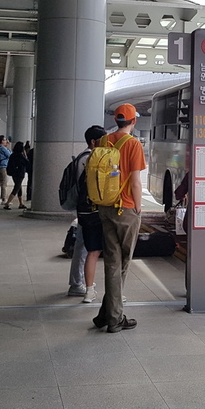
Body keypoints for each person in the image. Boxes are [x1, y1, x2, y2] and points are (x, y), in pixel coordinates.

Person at [93, 104, 146, 333]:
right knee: (121, 264)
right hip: (125, 209)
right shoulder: (133, 144)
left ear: (117, 120)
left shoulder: (104, 141)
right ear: (133, 121)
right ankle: (115, 318)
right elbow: (135, 182)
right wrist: (138, 208)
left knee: (112, 262)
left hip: (105, 206)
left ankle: (105, 315)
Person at [68, 125, 106, 302]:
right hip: (89, 209)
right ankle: (77, 284)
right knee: (86, 248)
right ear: (93, 141)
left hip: (82, 207)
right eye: (102, 140)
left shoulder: (81, 158)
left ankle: (78, 281)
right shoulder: (89, 158)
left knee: (82, 246)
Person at [3, 141, 29, 209]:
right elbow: (27, 163)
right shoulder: (20, 156)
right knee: (16, 188)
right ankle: (7, 203)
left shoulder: (13, 155)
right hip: (20, 174)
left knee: (19, 187)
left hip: (14, 174)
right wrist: (25, 154)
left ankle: (21, 203)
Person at [0, 136, 12, 206]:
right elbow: (10, 155)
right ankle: (3, 199)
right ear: (2, 141)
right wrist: (8, 147)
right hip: (3, 167)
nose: (6, 141)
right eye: (5, 140)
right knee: (4, 183)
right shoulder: (3, 148)